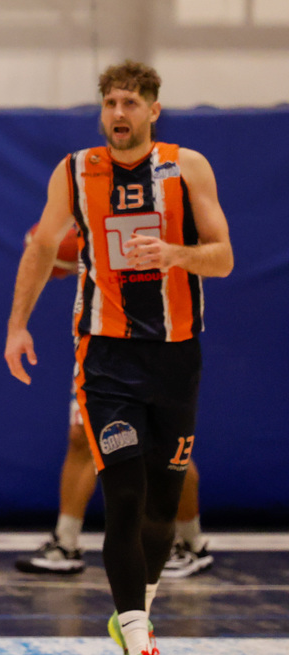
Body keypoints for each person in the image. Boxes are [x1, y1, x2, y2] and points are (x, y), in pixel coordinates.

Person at [4, 61, 232, 655]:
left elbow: (223, 256)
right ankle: (139, 642)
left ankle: (137, 613)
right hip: (106, 357)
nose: (118, 113)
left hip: (176, 358)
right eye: (110, 103)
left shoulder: (188, 168)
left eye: (130, 102)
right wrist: (17, 326)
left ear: (153, 110)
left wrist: (178, 255)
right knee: (124, 494)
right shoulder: (75, 171)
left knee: (162, 505)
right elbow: (42, 246)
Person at [14, 227, 213, 579]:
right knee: (82, 436)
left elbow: (217, 255)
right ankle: (65, 543)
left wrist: (174, 253)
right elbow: (52, 242)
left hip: (159, 339)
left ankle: (191, 542)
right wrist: (56, 248)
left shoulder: (177, 199)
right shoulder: (88, 197)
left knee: (164, 448)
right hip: (101, 341)